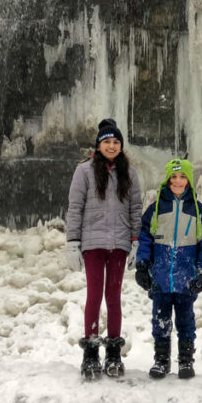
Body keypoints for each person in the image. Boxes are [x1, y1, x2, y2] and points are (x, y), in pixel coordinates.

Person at [66, 118, 142, 379]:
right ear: (98, 145)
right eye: (107, 141)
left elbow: (135, 209)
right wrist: (72, 242)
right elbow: (75, 208)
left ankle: (113, 353)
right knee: (94, 295)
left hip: (119, 244)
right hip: (93, 244)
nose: (112, 146)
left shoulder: (129, 173)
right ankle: (90, 354)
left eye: (116, 142)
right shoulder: (84, 171)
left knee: (114, 297)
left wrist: (136, 240)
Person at [135, 157, 202, 380]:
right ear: (167, 180)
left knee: (185, 321)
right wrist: (142, 265)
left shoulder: (199, 211)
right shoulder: (156, 209)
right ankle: (161, 360)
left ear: (188, 180)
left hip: (186, 277)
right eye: (174, 177)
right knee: (160, 320)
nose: (178, 181)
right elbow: (145, 238)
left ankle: (186, 360)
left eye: (182, 177)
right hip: (160, 277)